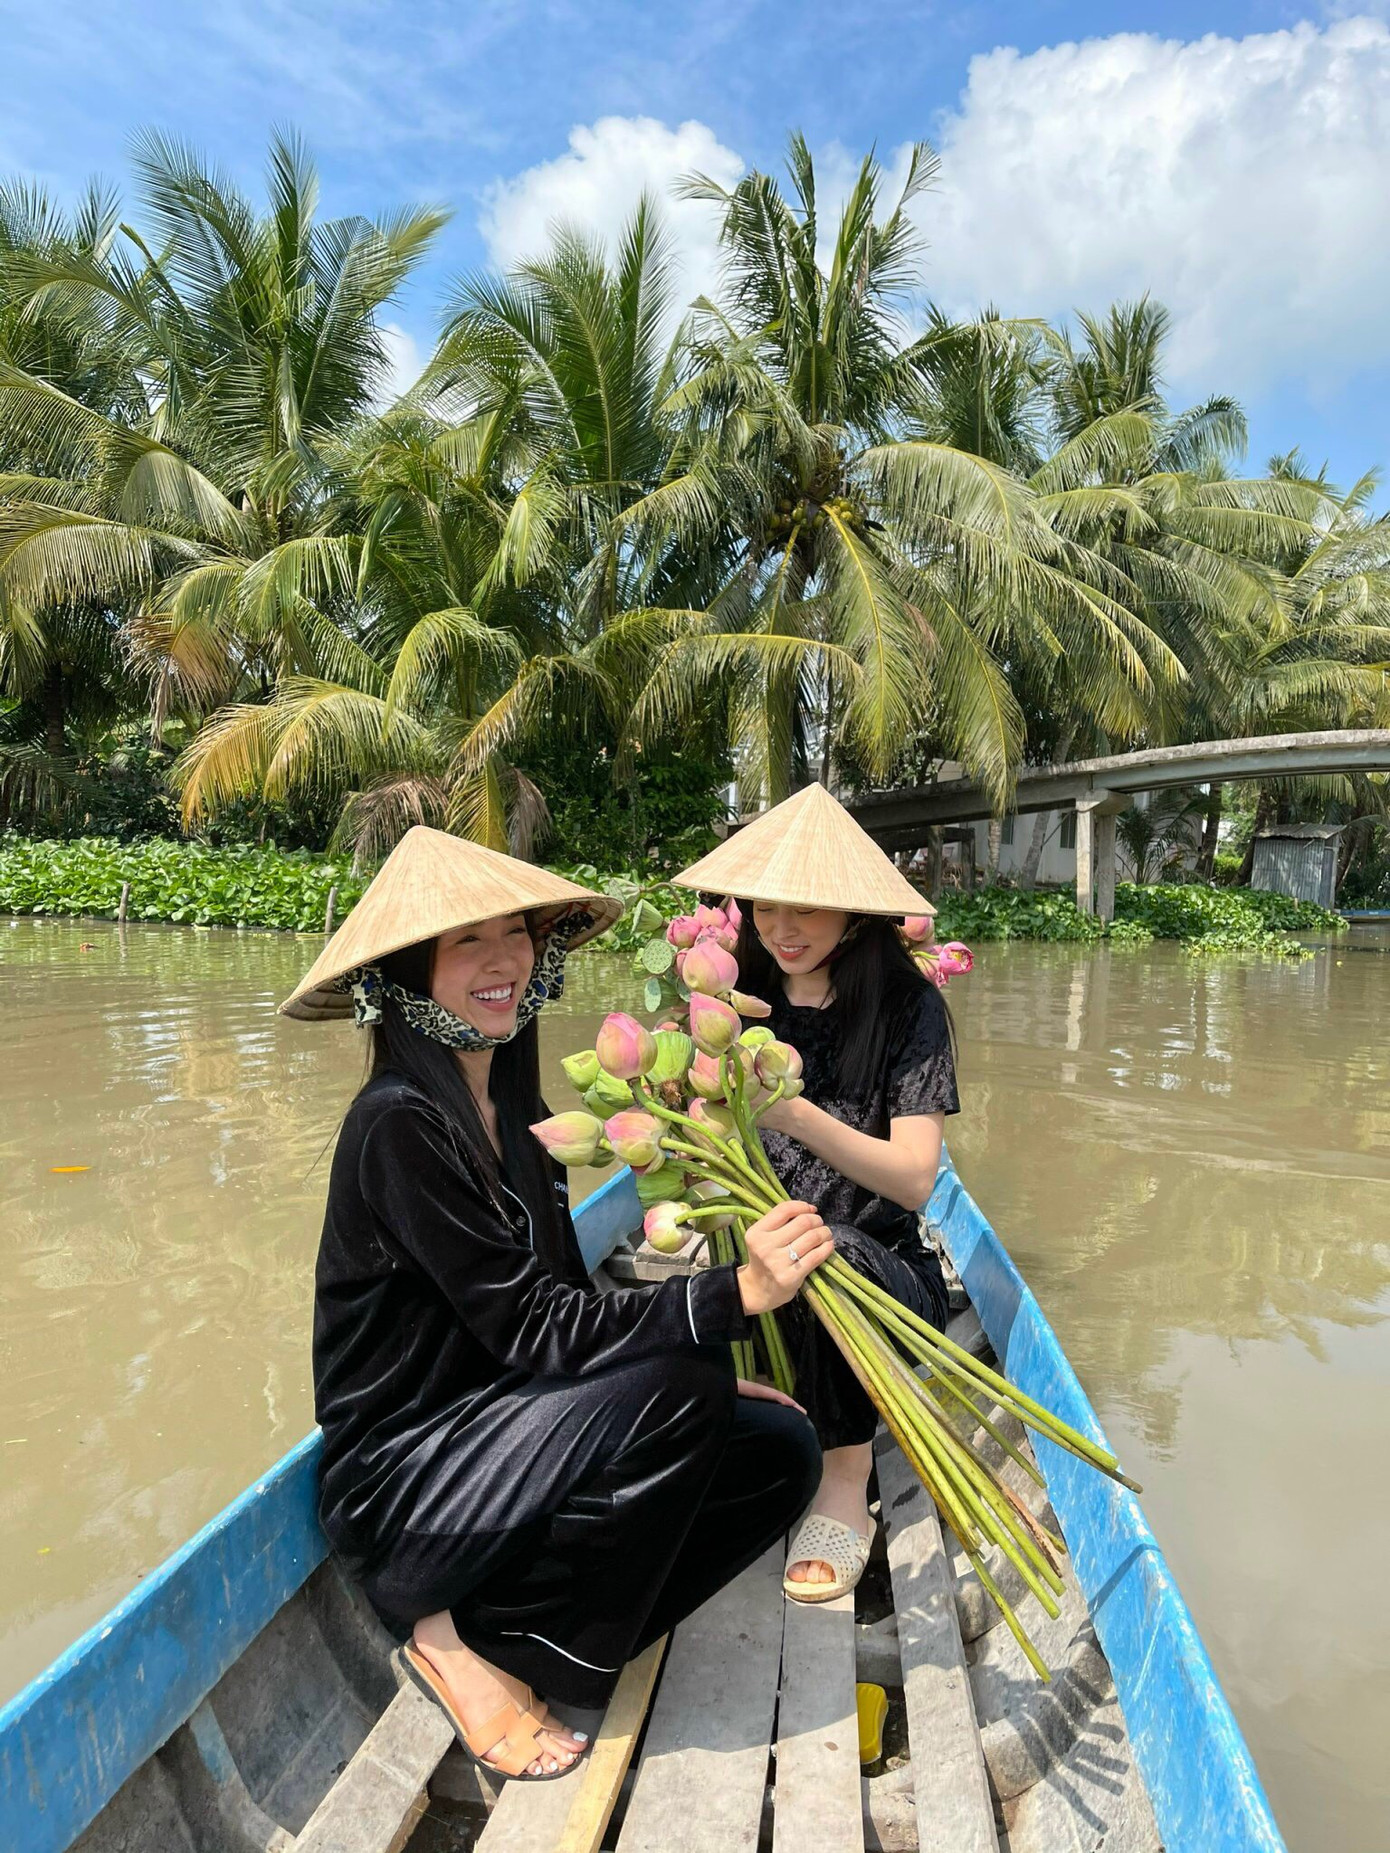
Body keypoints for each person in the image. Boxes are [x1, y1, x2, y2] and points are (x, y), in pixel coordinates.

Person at [281, 827, 829, 1783]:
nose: (503, 962)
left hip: (506, 1435)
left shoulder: (519, 1126)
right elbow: (536, 1327)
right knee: (686, 1382)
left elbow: (567, 1305)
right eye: (468, 944)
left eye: (518, 935)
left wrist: (722, 1381)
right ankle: (452, 1636)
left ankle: (512, 1629)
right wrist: (732, 1295)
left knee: (780, 1456)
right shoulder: (397, 1125)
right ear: (410, 970)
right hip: (408, 1487)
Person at [676, 784, 957, 1603]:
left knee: (819, 1241)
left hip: (876, 1276)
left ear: (853, 911)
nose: (781, 928)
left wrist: (792, 1114)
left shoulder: (910, 1009)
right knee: (764, 1250)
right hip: (762, 1263)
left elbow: (913, 1178)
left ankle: (845, 1476)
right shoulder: (737, 995)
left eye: (805, 909)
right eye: (766, 906)